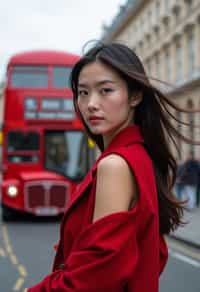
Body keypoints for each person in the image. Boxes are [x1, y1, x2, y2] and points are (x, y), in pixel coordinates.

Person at [27, 42, 191, 292]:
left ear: (134, 95)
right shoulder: (140, 155)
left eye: (105, 90)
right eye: (83, 93)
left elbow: (101, 269)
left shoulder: (115, 165)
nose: (91, 103)